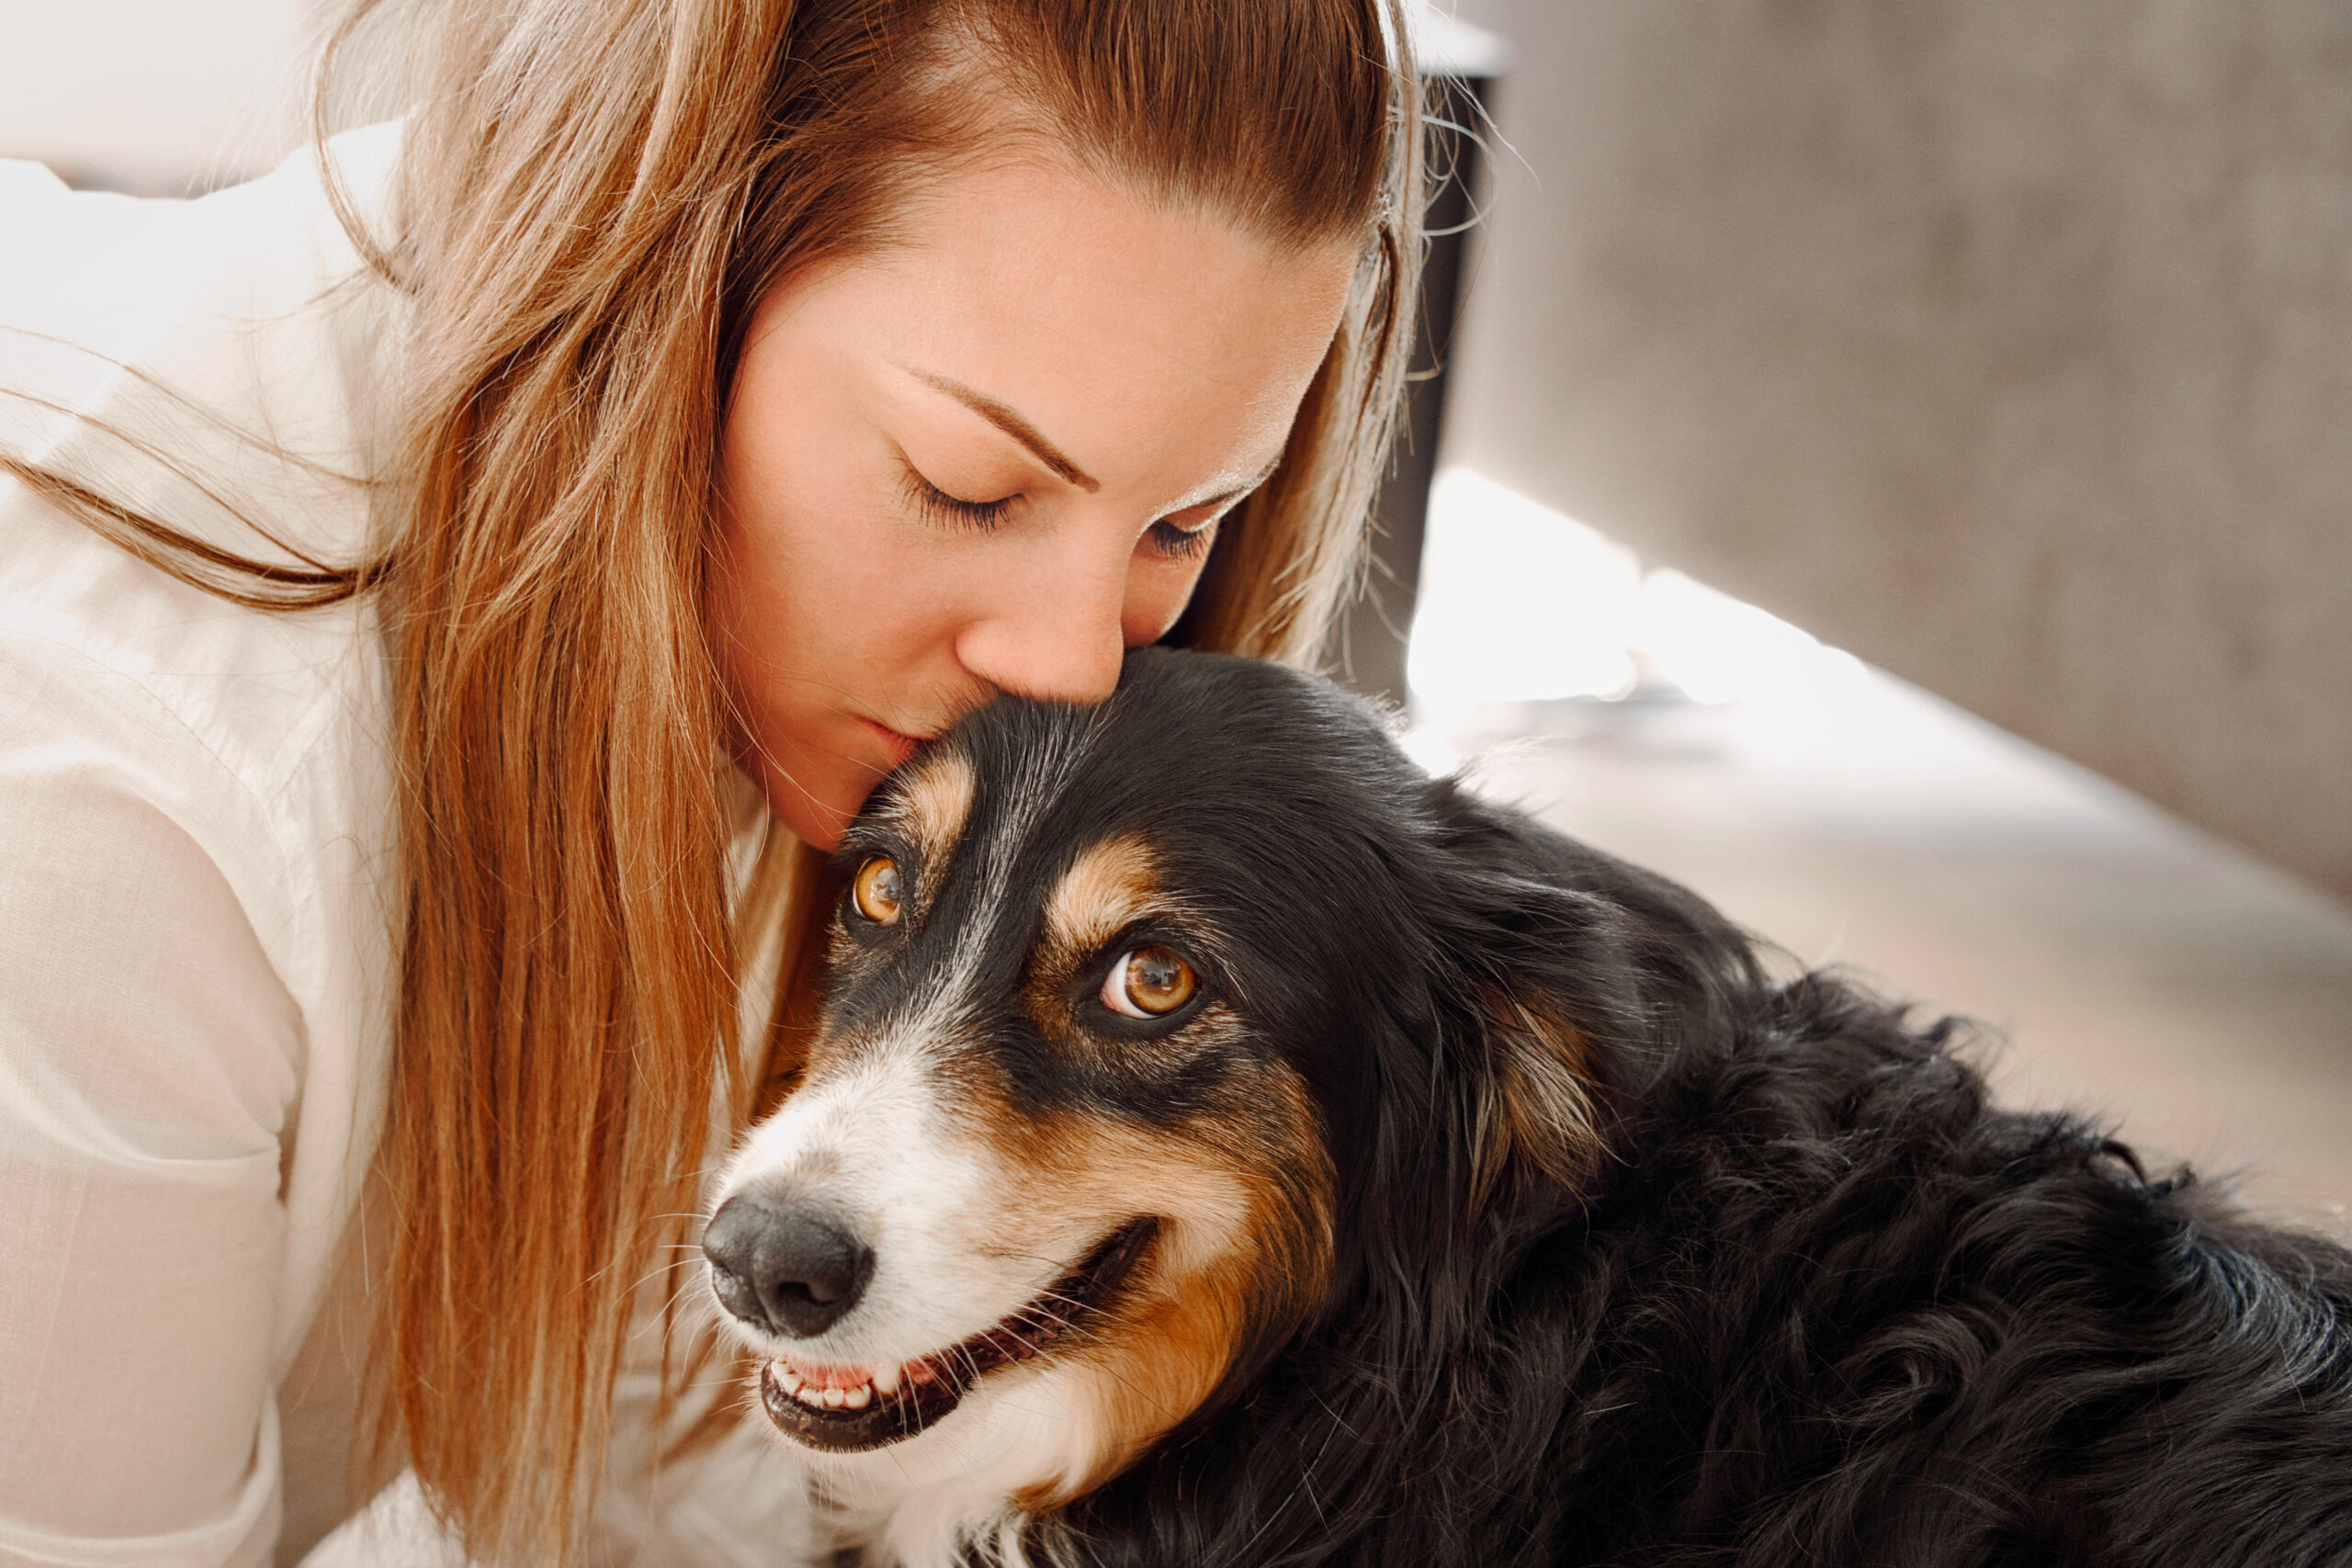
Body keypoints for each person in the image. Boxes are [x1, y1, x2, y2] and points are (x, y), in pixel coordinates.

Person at [0, 0, 1421, 1562]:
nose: (1079, 667)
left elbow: (650, 1469)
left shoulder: (790, 640)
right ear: (676, 270)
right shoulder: (106, 784)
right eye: (969, 486)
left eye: (1183, 522)